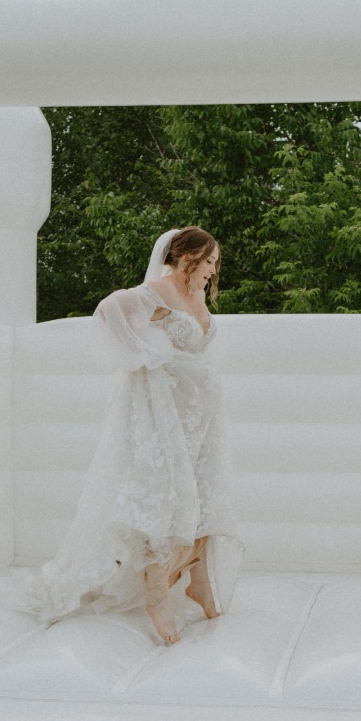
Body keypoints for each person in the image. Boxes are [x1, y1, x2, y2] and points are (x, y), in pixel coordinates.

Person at [36, 226, 241, 645]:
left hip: (201, 413)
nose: (213, 270)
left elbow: (199, 344)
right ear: (187, 259)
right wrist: (151, 356)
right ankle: (156, 597)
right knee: (162, 497)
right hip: (166, 413)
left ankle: (198, 581)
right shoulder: (155, 291)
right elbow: (110, 309)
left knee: (203, 492)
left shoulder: (196, 294)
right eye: (210, 262)